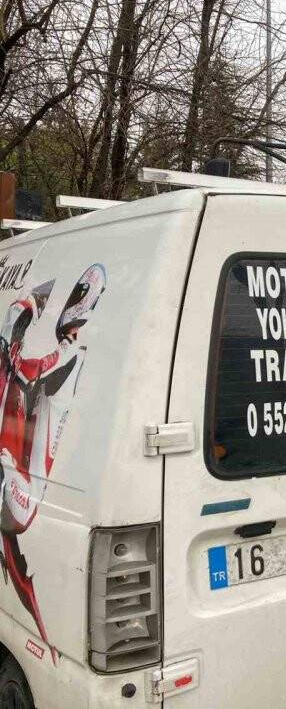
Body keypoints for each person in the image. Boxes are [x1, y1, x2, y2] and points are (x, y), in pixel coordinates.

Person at [0, 264, 107, 664]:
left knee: (7, 456)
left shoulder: (67, 355)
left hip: (24, 494)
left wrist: (18, 331)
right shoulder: (53, 357)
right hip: (19, 483)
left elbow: (30, 369)